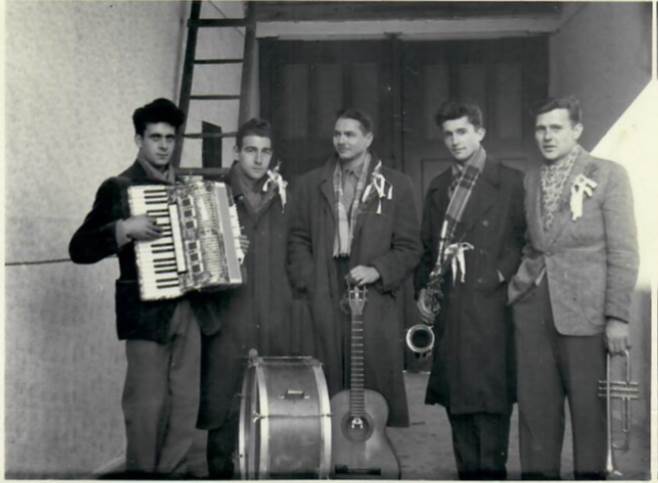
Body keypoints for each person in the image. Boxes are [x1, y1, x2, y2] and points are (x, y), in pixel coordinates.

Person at [69, 98, 220, 478]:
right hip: (145, 315)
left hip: (191, 310)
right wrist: (124, 229)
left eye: (170, 138)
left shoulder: (189, 188)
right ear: (139, 139)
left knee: (184, 407)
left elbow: (203, 250)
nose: (164, 146)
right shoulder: (118, 188)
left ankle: (174, 474)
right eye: (155, 138)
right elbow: (79, 248)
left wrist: (224, 249)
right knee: (146, 409)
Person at [508, 96, 639, 479]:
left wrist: (617, 317)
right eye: (540, 129)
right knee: (535, 412)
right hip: (533, 310)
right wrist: (518, 289)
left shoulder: (608, 174)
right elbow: (533, 244)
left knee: (589, 413)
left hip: (587, 314)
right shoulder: (531, 179)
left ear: (577, 130)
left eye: (556, 128)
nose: (547, 137)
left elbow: (624, 250)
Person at [287, 108, 421, 428]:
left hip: (372, 295)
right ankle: (332, 449)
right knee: (327, 381)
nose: (342, 141)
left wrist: (378, 270)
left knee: (370, 383)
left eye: (350, 134)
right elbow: (297, 239)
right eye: (337, 134)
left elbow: (410, 247)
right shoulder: (310, 184)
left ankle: (370, 448)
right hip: (325, 288)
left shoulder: (397, 184)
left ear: (368, 138)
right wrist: (310, 279)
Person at [414, 101, 525, 479]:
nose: (455, 140)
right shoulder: (438, 187)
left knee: (490, 401)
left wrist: (499, 273)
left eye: (462, 131)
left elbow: (525, 241)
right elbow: (427, 247)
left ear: (480, 132)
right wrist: (423, 291)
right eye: (448, 134)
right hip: (451, 309)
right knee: (458, 401)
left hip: (493, 307)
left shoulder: (510, 181)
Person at [197, 118, 292, 478]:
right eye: (251, 150)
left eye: (265, 151)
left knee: (271, 406)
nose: (258, 158)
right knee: (223, 410)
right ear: (236, 151)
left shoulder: (283, 195)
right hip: (228, 317)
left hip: (272, 315)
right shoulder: (213, 193)